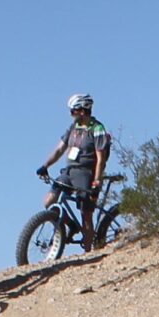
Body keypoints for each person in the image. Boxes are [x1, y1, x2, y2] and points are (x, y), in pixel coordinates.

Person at [35, 93, 112, 245]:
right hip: (69, 171)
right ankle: (71, 225)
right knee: (49, 202)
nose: (71, 114)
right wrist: (45, 165)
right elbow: (59, 149)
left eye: (73, 111)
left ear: (82, 111)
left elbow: (101, 159)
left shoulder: (97, 129)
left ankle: (89, 252)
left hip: (86, 173)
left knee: (86, 213)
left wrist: (97, 181)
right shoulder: (73, 128)